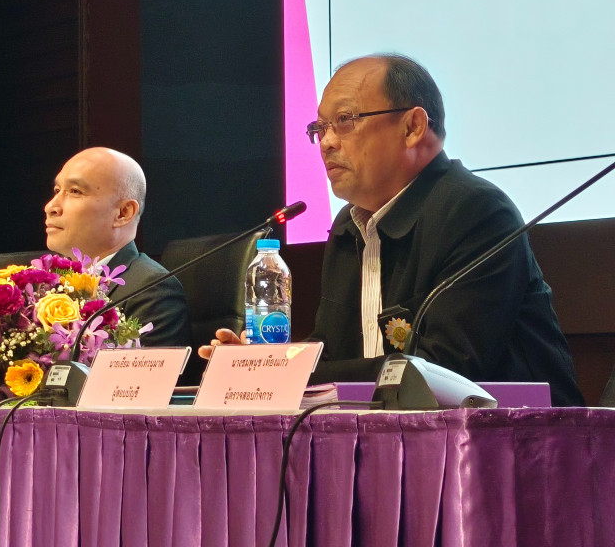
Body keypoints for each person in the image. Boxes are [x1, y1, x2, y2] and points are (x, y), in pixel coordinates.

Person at [205, 54, 584, 406]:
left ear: (412, 127)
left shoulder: (477, 212)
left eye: (345, 120)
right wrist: (264, 364)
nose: (327, 143)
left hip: (529, 443)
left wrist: (291, 372)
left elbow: (445, 370)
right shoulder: (349, 227)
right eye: (320, 128)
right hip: (397, 438)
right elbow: (332, 350)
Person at [45, 147, 191, 347]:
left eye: (75, 191)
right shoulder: (45, 282)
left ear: (123, 213)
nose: (51, 207)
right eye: (57, 190)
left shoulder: (151, 291)